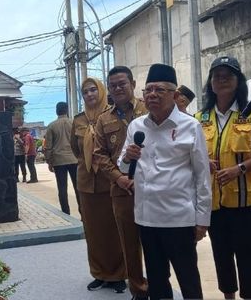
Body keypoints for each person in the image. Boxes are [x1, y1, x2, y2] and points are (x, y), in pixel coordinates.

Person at [119, 64, 211, 300]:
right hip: (147, 218)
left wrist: (202, 219)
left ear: (174, 95)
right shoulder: (136, 127)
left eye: (159, 90)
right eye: (148, 90)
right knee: (157, 281)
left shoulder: (190, 126)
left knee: (188, 278)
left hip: (179, 218)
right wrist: (127, 157)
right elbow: (123, 166)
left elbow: (202, 176)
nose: (152, 95)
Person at [195, 56, 251, 299]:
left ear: (238, 81)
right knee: (221, 252)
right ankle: (228, 296)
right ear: (211, 83)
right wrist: (202, 162)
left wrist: (239, 169)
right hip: (214, 200)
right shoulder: (200, 117)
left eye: (228, 75)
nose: (222, 80)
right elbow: (191, 154)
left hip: (246, 200)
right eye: (217, 76)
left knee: (248, 253)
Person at [94, 66, 148, 299]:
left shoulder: (150, 109)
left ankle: (159, 287)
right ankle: (138, 290)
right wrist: (119, 178)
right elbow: (99, 155)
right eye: (113, 85)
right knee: (129, 244)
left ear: (133, 84)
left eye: (122, 84)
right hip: (121, 191)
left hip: (152, 189)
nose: (117, 89)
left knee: (156, 242)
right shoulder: (103, 119)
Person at [71, 77, 126, 292]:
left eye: (94, 90)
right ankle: (100, 273)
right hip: (87, 183)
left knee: (115, 229)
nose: (90, 94)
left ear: (101, 91)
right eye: (85, 92)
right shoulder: (78, 120)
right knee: (93, 231)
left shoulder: (113, 115)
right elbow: (76, 150)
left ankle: (120, 274)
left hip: (110, 181)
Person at [45, 102, 79, 215]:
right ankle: (83, 213)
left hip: (59, 160)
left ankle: (66, 213)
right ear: (67, 110)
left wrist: (49, 161)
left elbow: (48, 146)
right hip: (74, 159)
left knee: (62, 188)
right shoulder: (74, 123)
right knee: (78, 187)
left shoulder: (51, 126)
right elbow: (79, 142)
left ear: (56, 111)